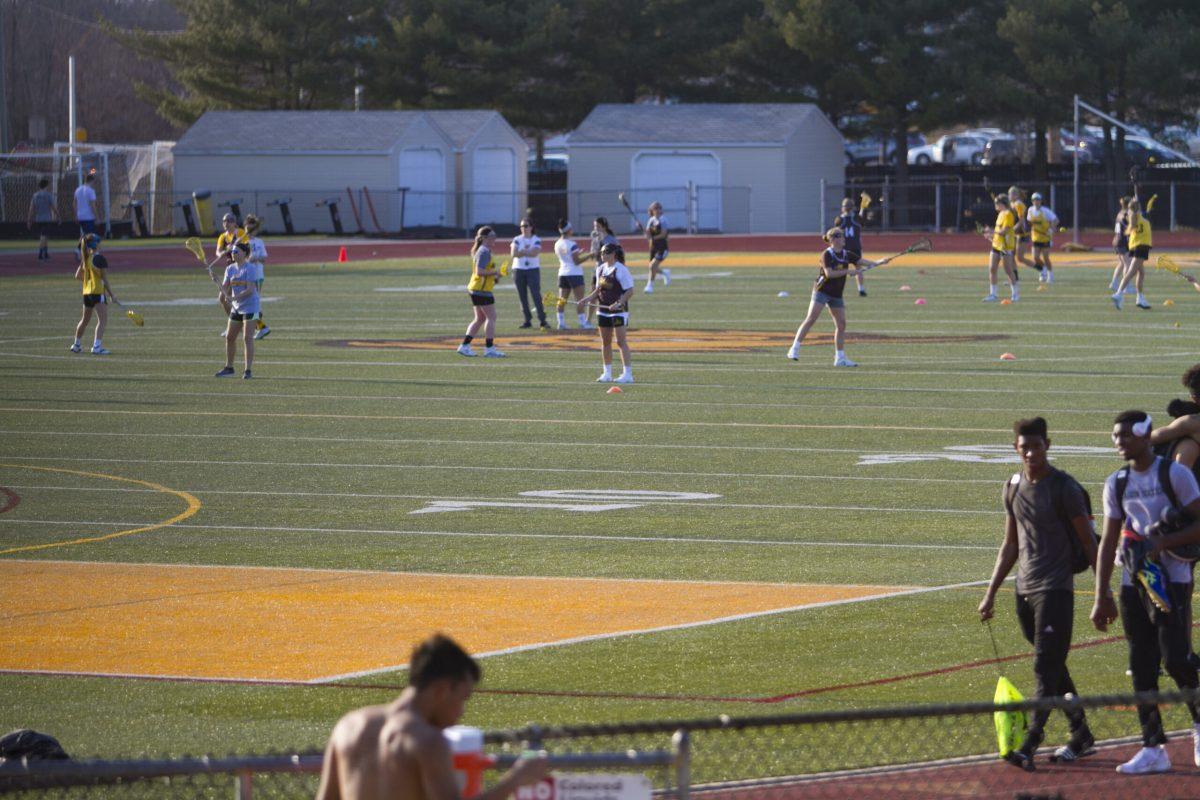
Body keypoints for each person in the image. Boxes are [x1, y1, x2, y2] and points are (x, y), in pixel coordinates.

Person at [979, 417, 1097, 770]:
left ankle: (1030, 741)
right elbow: (1010, 545)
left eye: (1037, 445)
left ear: (1049, 444)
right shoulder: (1012, 486)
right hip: (1024, 589)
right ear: (1015, 448)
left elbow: (1090, 542)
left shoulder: (1065, 488)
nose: (1031, 452)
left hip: (1056, 589)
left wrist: (1102, 591)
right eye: (1024, 447)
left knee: (1044, 667)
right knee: (1053, 665)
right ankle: (1081, 732)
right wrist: (990, 593)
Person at [1091, 410, 1200, 775]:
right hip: (1134, 580)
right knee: (1140, 664)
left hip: (1174, 578)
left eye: (1125, 435)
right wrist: (1101, 592)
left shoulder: (1175, 475)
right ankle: (1153, 746)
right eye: (1115, 437)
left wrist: (1164, 541)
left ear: (1145, 435)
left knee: (1177, 660)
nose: (1119, 442)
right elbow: (1108, 541)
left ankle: (1199, 725)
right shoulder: (1116, 482)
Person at [316, 634, 546, 800]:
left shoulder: (348, 726)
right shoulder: (427, 741)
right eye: (462, 699)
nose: (461, 711)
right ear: (441, 690)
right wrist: (515, 779)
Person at [786, 227, 890, 367]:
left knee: (841, 324)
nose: (844, 238)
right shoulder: (826, 255)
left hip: (836, 294)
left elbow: (862, 261)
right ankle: (794, 348)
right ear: (833, 239)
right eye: (841, 236)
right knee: (811, 318)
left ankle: (840, 358)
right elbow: (829, 274)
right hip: (822, 291)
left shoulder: (846, 254)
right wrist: (848, 271)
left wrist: (879, 262)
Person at [581, 242, 635, 383]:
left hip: (618, 311)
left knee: (620, 341)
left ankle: (627, 374)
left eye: (605, 252)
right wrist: (587, 299)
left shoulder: (621, 269)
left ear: (613, 254)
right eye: (602, 252)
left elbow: (630, 291)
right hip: (603, 310)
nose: (602, 255)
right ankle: (607, 373)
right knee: (605, 342)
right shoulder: (600, 269)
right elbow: (598, 290)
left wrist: (619, 303)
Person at [210, 241, 259, 378]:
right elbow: (225, 290)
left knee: (247, 338)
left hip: (250, 307)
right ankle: (229, 368)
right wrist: (217, 281)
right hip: (237, 308)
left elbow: (250, 290)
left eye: (236, 251)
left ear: (244, 253)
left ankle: (247, 371)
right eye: (232, 251)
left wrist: (235, 297)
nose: (233, 253)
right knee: (230, 337)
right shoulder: (230, 269)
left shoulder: (250, 268)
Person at [458, 226, 505, 358]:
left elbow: (485, 273)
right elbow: (479, 271)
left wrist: (497, 276)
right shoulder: (484, 251)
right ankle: (489, 349)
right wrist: (495, 272)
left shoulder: (484, 251)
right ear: (484, 238)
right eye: (492, 236)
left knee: (480, 319)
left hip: (477, 289)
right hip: (481, 290)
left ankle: (464, 346)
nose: (494, 238)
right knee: (491, 317)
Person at [70, 234, 120, 355]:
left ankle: (76, 345)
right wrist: (112, 295)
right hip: (97, 293)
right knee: (102, 320)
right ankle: (97, 347)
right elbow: (105, 280)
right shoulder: (100, 259)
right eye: (99, 242)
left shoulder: (86, 258)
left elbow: (77, 276)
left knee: (85, 320)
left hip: (87, 293)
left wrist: (89, 281)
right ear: (96, 244)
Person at [1112, 198, 1153, 310]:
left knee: (1141, 273)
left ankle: (1140, 298)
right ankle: (1118, 294)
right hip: (1142, 246)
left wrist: (1136, 206)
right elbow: (1142, 214)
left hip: (1135, 246)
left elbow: (1134, 213)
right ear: (1138, 207)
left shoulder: (1132, 217)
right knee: (1131, 272)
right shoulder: (1141, 216)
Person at [553, 219, 593, 330]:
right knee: (579, 299)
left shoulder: (557, 243)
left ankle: (560, 322)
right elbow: (576, 261)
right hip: (574, 273)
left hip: (562, 272)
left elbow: (567, 257)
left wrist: (578, 253)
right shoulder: (572, 244)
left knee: (562, 299)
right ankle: (583, 323)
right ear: (568, 230)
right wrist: (590, 255)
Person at [510, 219, 547, 329]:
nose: (523, 228)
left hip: (533, 269)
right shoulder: (516, 239)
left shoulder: (536, 239)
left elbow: (534, 253)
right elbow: (514, 254)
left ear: (531, 227)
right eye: (521, 226)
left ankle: (542, 320)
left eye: (526, 226)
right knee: (522, 297)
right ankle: (527, 320)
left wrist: (522, 252)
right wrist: (527, 251)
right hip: (518, 269)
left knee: (536, 295)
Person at [983, 196, 1019, 303]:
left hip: (1005, 247)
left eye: (996, 203)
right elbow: (999, 232)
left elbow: (1004, 231)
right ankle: (993, 294)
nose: (995, 205)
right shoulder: (1000, 214)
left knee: (1008, 270)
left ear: (1001, 203)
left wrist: (991, 231)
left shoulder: (1008, 214)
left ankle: (1015, 294)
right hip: (996, 245)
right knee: (992, 269)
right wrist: (990, 236)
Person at [214, 213, 248, 325]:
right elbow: (218, 252)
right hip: (230, 270)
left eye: (229, 221)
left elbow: (247, 249)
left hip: (242, 269)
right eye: (224, 221)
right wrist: (223, 252)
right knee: (222, 298)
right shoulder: (223, 237)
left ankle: (260, 326)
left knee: (245, 302)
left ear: (234, 223)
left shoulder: (241, 233)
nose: (226, 223)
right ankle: (234, 324)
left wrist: (235, 247)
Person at [587, 217, 619, 327]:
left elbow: (617, 255)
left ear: (604, 226)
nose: (595, 228)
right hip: (597, 271)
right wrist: (595, 248)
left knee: (608, 296)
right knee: (593, 296)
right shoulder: (595, 239)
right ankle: (588, 321)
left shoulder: (611, 239)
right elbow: (593, 256)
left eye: (598, 226)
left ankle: (612, 319)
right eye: (594, 226)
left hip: (608, 273)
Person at [244, 214, 271, 340]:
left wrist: (256, 258)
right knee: (247, 304)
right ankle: (260, 327)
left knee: (253, 303)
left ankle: (261, 327)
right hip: (244, 276)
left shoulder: (259, 242)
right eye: (247, 229)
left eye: (251, 229)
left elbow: (264, 258)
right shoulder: (242, 242)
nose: (248, 232)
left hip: (257, 276)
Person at [836, 197, 867, 297]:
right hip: (855, 248)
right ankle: (861, 289)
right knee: (858, 268)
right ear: (853, 208)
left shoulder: (839, 220)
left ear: (843, 208)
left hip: (843, 249)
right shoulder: (857, 218)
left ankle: (837, 290)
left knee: (841, 270)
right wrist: (862, 210)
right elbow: (861, 223)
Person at [1026, 192, 1059, 284]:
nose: (1036, 202)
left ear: (1040, 201)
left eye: (1038, 200)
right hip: (1035, 237)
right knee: (1035, 257)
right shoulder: (1030, 210)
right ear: (1032, 201)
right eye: (1034, 200)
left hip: (1045, 237)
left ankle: (1050, 275)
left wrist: (1051, 229)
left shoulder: (1045, 211)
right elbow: (1029, 222)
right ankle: (1043, 269)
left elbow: (1055, 220)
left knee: (1045, 257)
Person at [27, 178, 59, 261]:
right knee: (43, 236)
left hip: (38, 219)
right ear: (46, 186)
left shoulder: (35, 195)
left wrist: (29, 220)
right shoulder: (48, 195)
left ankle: (46, 253)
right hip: (47, 219)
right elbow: (53, 207)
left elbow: (31, 208)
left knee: (44, 236)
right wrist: (58, 216)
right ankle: (41, 254)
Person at [642, 201, 671, 294]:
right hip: (653, 247)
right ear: (652, 210)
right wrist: (645, 233)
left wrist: (652, 238)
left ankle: (649, 286)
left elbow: (663, 234)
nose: (658, 210)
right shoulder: (651, 220)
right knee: (652, 267)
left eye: (659, 208)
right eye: (655, 209)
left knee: (652, 266)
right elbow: (648, 234)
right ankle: (665, 273)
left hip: (662, 247)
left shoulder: (663, 220)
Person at [1009, 186, 1035, 275]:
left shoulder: (1018, 204)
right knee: (1010, 256)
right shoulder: (1011, 204)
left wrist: (1012, 230)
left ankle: (1041, 268)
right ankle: (1014, 278)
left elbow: (1021, 221)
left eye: (1010, 194)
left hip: (1022, 233)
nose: (1009, 196)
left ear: (1015, 195)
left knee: (1020, 258)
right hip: (1015, 233)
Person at [1109, 197, 1132, 293]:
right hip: (1122, 241)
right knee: (1128, 264)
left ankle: (1114, 283)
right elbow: (1130, 227)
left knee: (1122, 263)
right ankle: (1126, 287)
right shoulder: (1126, 214)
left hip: (1117, 240)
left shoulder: (1120, 213)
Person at [73, 171, 97, 237]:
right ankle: (88, 247)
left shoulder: (77, 190)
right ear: (91, 181)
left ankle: (83, 247)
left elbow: (74, 203)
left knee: (85, 234)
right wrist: (97, 217)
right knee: (90, 236)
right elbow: (93, 205)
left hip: (80, 216)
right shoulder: (91, 191)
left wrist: (76, 215)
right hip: (88, 217)